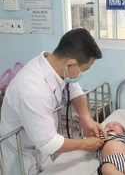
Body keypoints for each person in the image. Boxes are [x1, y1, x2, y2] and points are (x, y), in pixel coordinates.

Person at [0, 28, 107, 175]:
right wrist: (84, 144)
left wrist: (86, 119)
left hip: (40, 152)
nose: (83, 74)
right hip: (21, 160)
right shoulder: (32, 90)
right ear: (70, 64)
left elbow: (74, 88)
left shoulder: (54, 64)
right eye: (84, 69)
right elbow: (48, 142)